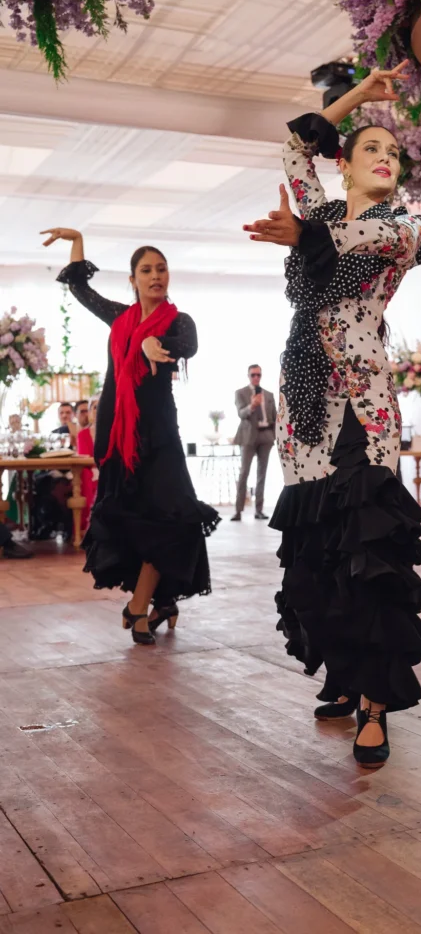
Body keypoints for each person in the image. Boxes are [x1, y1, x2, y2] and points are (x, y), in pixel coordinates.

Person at [243, 61, 421, 768]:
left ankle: (377, 706)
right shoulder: (319, 213)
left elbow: (369, 245)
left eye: (394, 152)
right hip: (305, 397)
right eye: (371, 149)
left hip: (364, 402)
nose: (387, 159)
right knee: (319, 545)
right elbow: (294, 148)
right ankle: (344, 675)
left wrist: (306, 238)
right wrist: (361, 96)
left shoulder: (405, 226)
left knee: (370, 550)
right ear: (345, 165)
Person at [42, 227, 220, 644]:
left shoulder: (179, 320)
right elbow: (80, 289)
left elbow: (186, 345)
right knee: (134, 523)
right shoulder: (120, 318)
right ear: (133, 278)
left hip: (159, 438)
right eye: (146, 270)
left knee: (170, 520)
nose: (156, 276)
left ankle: (138, 606)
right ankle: (163, 601)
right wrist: (77, 241)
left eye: (162, 269)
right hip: (120, 439)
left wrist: (155, 344)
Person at [232, 365, 276, 522]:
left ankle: (259, 510)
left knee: (262, 474)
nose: (256, 377)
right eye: (253, 375)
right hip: (248, 436)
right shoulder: (241, 393)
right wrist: (252, 405)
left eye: (258, 375)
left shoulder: (269, 395)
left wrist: (275, 437)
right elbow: (241, 413)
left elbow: (275, 416)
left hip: (266, 436)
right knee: (244, 472)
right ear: (248, 375)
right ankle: (238, 511)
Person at [76, 397, 99, 533]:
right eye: (95, 407)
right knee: (85, 474)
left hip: (107, 468)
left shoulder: (112, 431)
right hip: (90, 469)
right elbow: (84, 457)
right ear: (90, 412)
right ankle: (87, 526)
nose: (98, 409)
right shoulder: (83, 434)